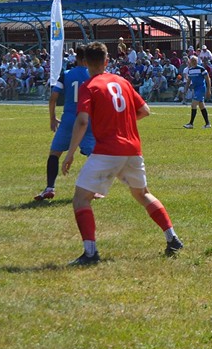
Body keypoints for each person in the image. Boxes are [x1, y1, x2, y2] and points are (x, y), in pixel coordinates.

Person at [61, 42, 183, 265]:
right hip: (132, 149)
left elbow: (82, 121)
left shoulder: (90, 86)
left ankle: (90, 253)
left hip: (107, 150)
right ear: (107, 61)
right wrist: (122, 122)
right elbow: (144, 110)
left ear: (85, 62)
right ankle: (172, 238)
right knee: (142, 194)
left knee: (80, 199)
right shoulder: (123, 82)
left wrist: (70, 154)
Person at [34, 46, 96, 201]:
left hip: (68, 120)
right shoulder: (93, 75)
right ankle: (93, 190)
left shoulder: (66, 74)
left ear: (76, 58)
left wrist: (52, 118)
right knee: (94, 156)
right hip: (87, 120)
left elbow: (53, 98)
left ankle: (50, 188)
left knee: (54, 154)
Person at [182, 55, 212, 129]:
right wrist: (185, 89)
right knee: (202, 106)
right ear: (190, 62)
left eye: (195, 60)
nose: (194, 62)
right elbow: (189, 80)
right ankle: (207, 124)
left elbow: (208, 79)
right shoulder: (190, 70)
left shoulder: (201, 69)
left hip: (201, 89)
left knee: (193, 104)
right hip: (195, 89)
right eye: (192, 61)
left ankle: (191, 123)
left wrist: (209, 90)